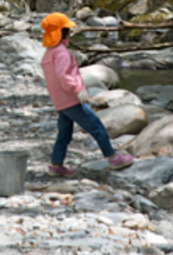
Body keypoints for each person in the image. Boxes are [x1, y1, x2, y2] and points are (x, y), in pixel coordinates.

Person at [41, 12, 134, 176]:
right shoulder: (61, 52)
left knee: (64, 133)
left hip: (60, 102)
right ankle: (113, 158)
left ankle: (56, 165)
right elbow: (64, 77)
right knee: (96, 127)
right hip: (71, 100)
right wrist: (79, 92)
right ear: (62, 33)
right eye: (68, 30)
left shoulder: (48, 53)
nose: (70, 33)